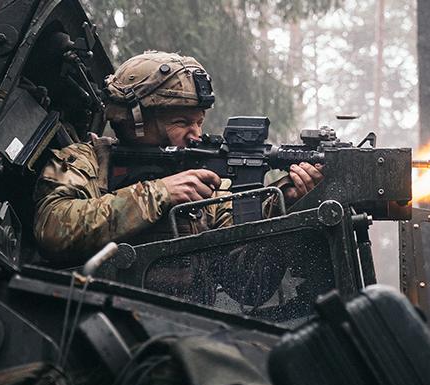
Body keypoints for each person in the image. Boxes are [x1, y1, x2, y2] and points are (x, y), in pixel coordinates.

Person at [32, 51, 323, 265]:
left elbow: (245, 282)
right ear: (137, 122)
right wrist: (159, 193)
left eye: (199, 122)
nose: (196, 134)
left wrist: (288, 204)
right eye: (182, 122)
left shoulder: (207, 184)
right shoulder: (86, 163)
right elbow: (53, 232)